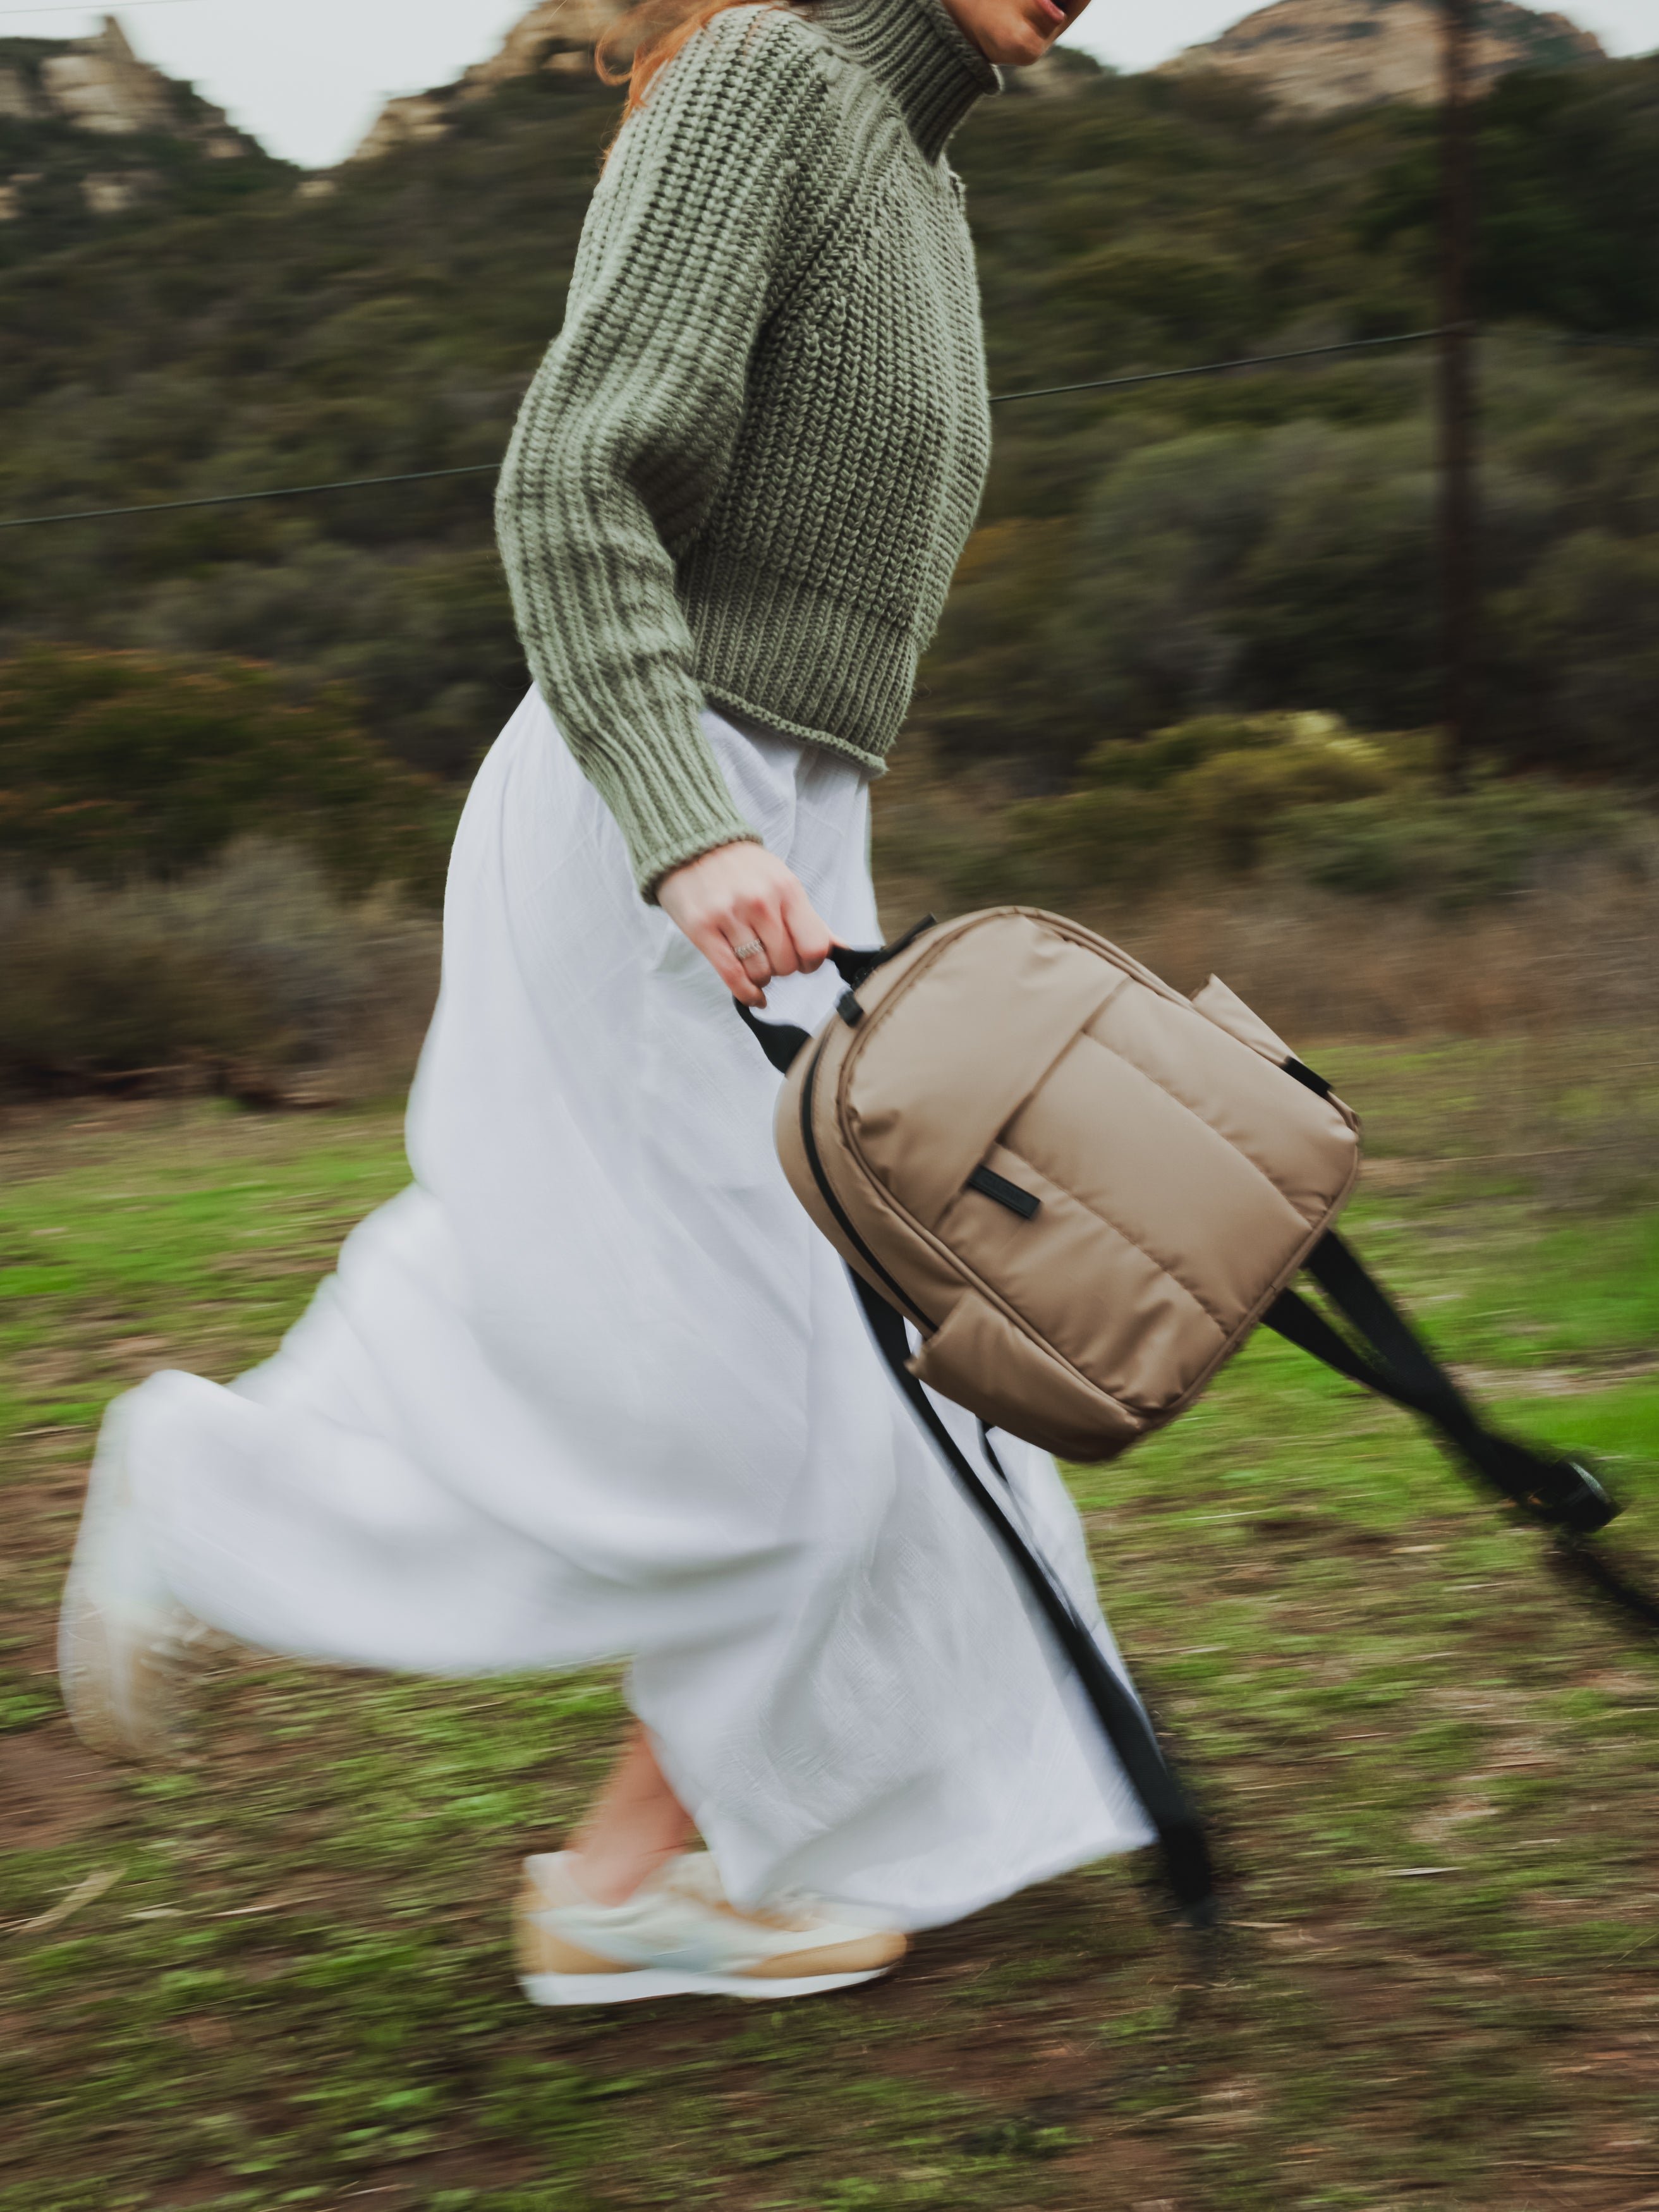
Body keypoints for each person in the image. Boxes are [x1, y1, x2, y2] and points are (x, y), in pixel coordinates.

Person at [59, 0, 1153, 2006]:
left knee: (857, 1363)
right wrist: (683, 822)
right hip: (653, 816)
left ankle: (640, 1868)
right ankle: (228, 1508)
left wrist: (776, 840)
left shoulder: (921, 171)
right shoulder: (764, 82)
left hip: (781, 824)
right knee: (777, 1386)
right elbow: (573, 480)